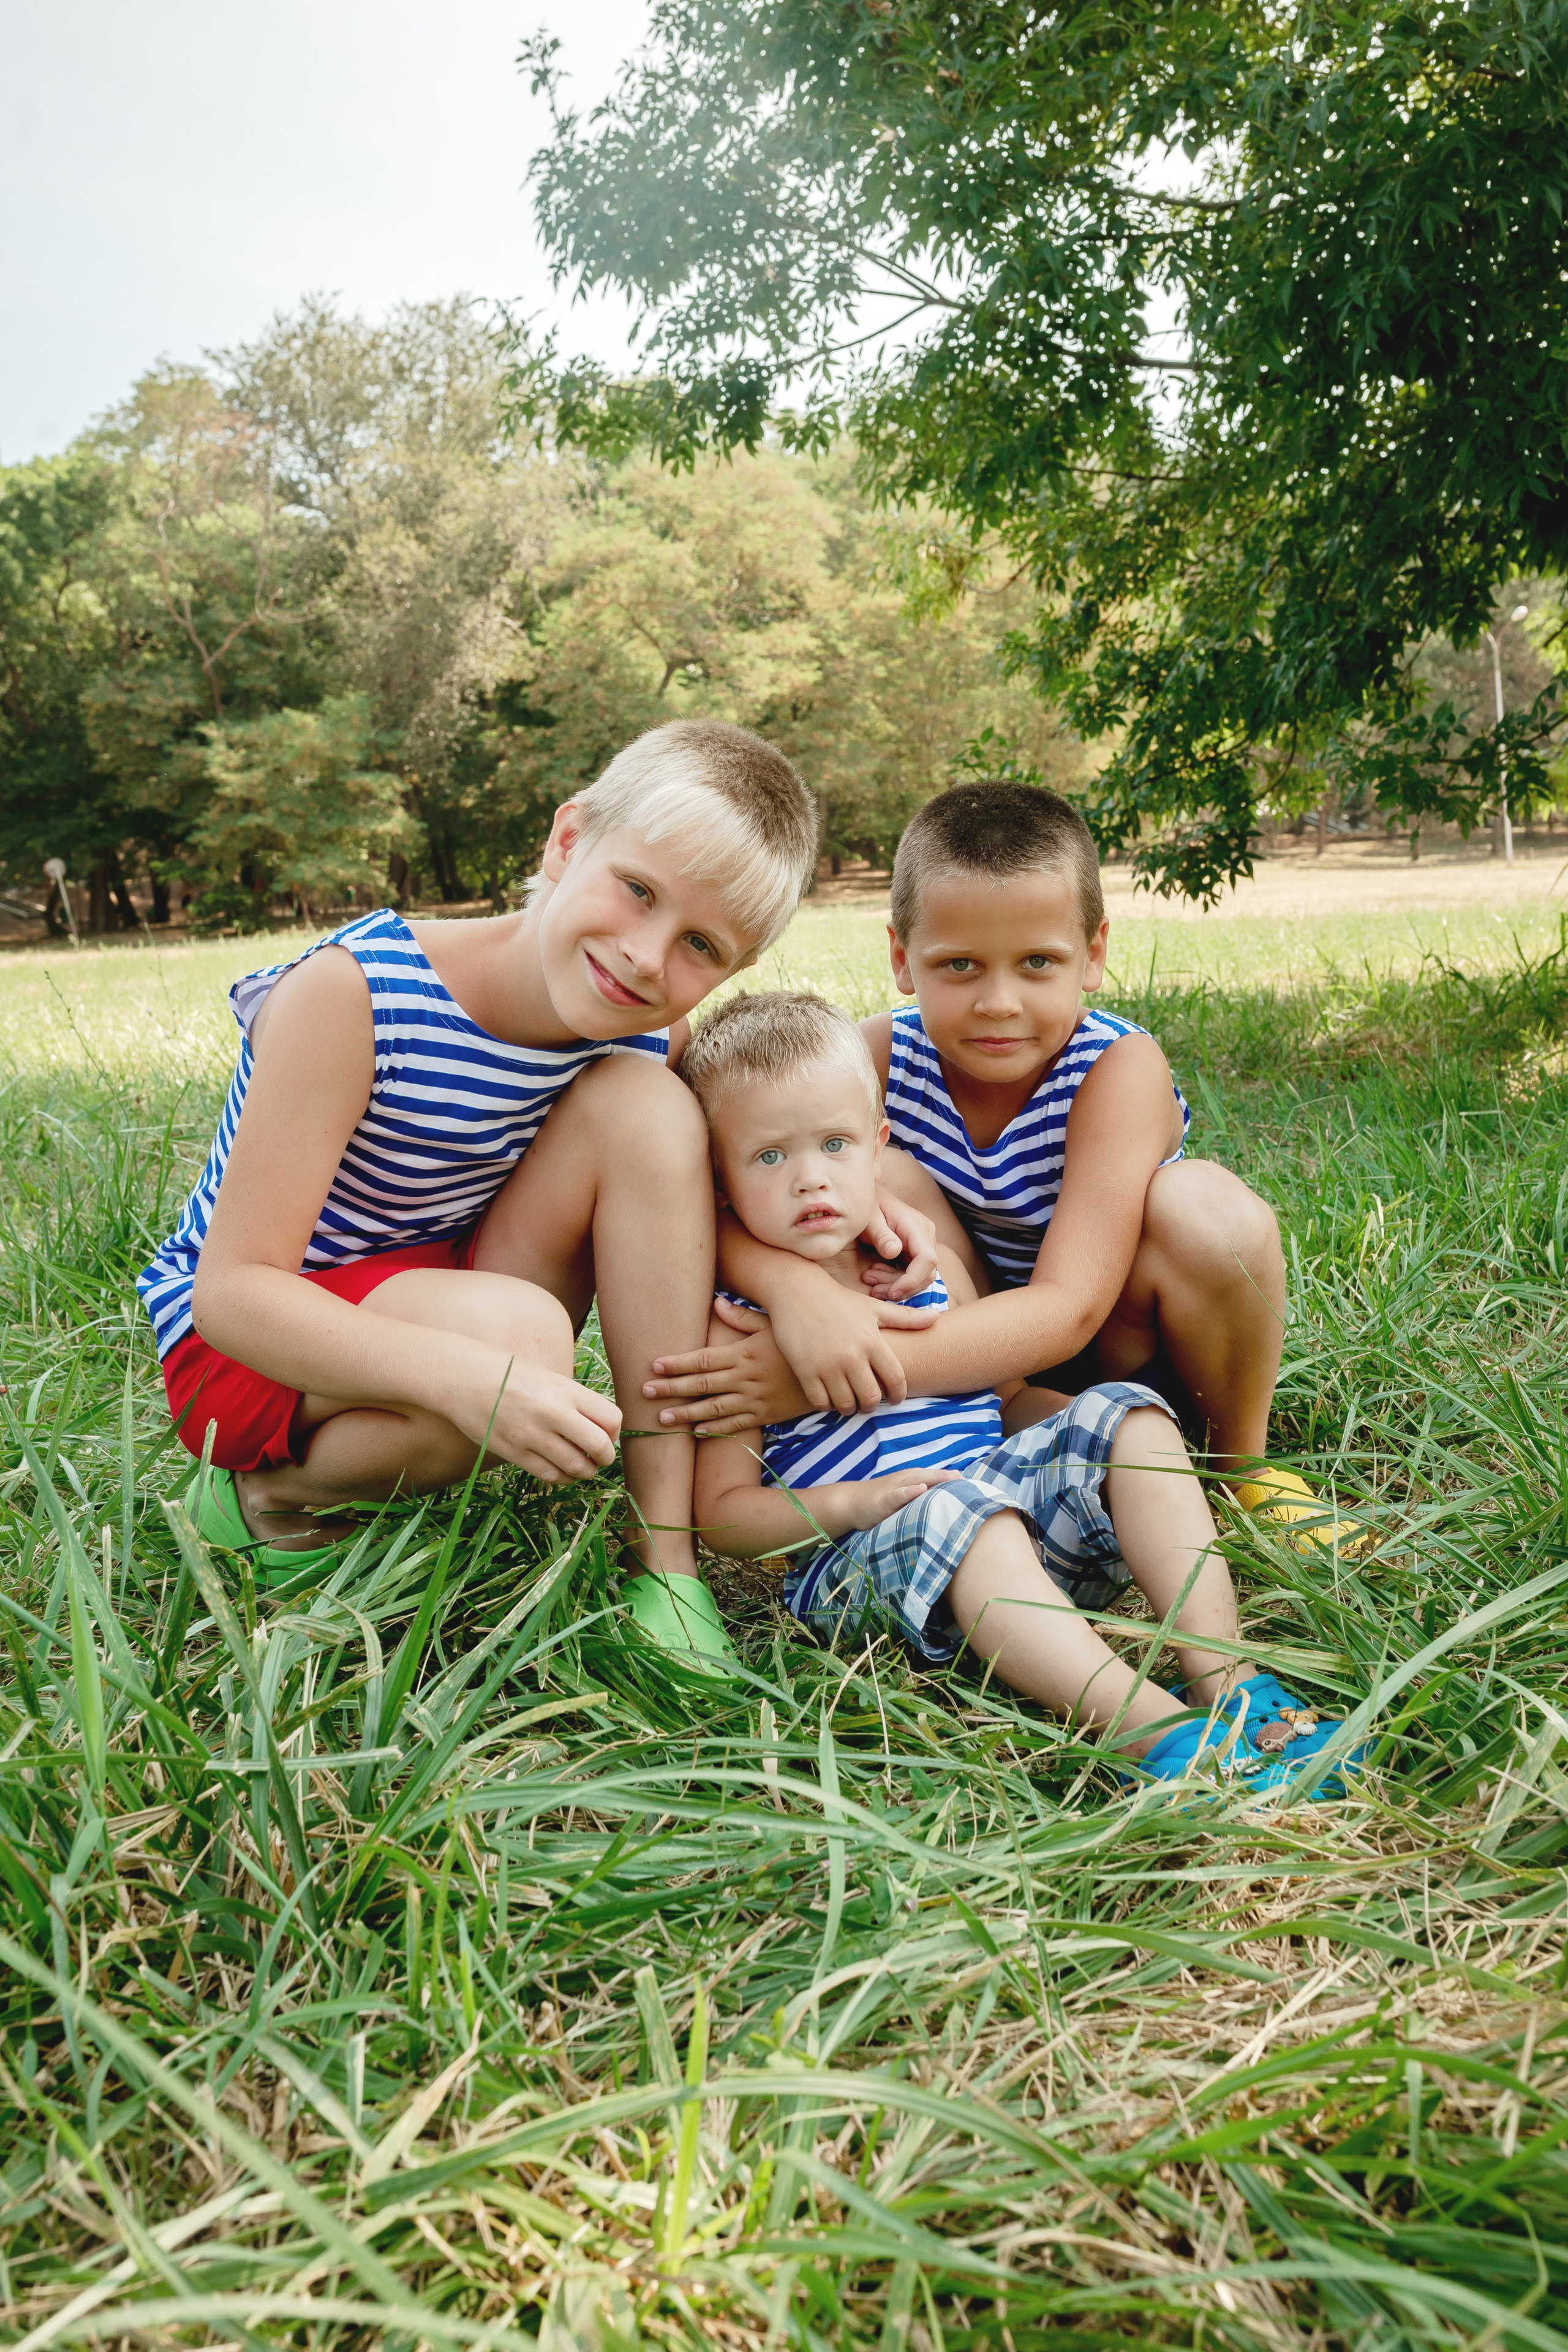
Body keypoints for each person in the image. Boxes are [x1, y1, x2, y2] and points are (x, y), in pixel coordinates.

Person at [138, 720, 869, 1656]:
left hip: (451, 1286)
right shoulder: (357, 995)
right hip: (251, 1343)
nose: (647, 957)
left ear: (736, 972)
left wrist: (803, 1275)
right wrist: (474, 1378)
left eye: (700, 946)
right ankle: (265, 1497)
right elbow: (231, 1294)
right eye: (636, 891)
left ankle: (667, 1564)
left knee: (647, 1110)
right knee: (517, 1341)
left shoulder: (649, 1036)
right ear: (568, 842)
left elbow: (703, 1202)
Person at [645, 779, 1350, 1547]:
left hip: (1112, 1343)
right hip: (965, 1380)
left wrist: (833, 1370)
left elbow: (1069, 1308)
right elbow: (719, 1192)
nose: (998, 1002)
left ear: (1094, 955)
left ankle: (1243, 1468)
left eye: (1038, 962)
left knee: (1207, 1210)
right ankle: (1022, 1446)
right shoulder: (873, 1056)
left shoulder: (1116, 1067)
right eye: (960, 966)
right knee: (874, 1168)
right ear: (901, 958)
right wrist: (790, 1291)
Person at [685, 991, 1356, 1790]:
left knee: (1128, 1416)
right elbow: (721, 1517)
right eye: (769, 1157)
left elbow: (1003, 1396)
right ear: (720, 1184)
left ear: (878, 1149)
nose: (810, 1181)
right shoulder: (735, 1322)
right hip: (865, 1574)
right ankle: (1164, 1738)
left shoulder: (920, 1275)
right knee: (969, 1514)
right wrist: (854, 1506)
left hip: (1011, 1530)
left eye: (835, 1145)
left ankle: (1233, 1688)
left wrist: (1100, 1448)